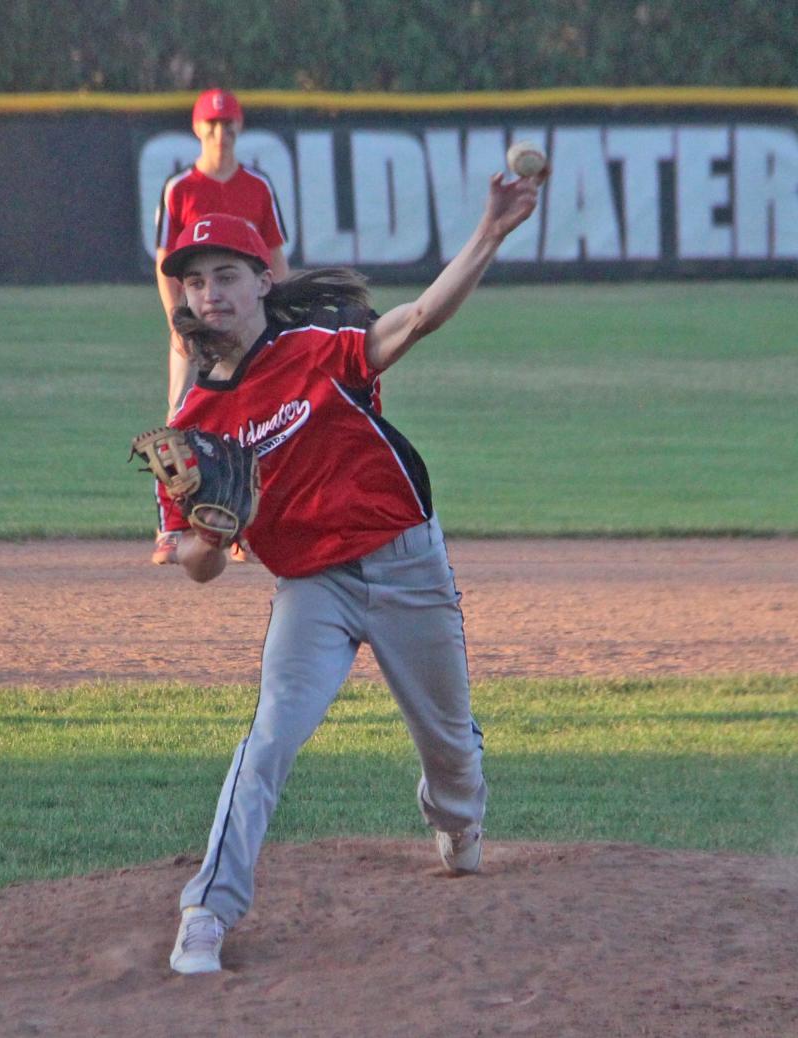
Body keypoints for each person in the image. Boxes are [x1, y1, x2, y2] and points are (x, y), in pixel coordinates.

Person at [157, 163, 545, 975]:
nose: (210, 294)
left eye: (226, 275)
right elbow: (196, 564)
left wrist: (491, 232)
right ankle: (207, 910)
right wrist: (210, 530)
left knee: (453, 761)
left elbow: (420, 320)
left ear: (265, 281)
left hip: (407, 565)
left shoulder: (316, 349)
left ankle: (456, 818)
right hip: (312, 591)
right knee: (267, 741)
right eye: (195, 282)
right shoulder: (191, 428)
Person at [152, 87, 288, 565]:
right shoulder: (181, 189)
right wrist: (178, 321)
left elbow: (274, 258)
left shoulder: (258, 188)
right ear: (197, 129)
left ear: (239, 128)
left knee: (263, 412)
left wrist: (280, 315)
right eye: (211, 124)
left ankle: (245, 526)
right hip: (193, 321)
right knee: (178, 417)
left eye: (228, 123)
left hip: (249, 321)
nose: (220, 132)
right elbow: (166, 262)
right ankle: (170, 529)